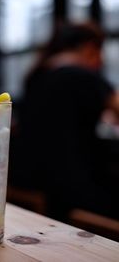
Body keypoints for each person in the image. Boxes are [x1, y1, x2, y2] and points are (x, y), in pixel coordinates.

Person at [8, 21, 119, 222]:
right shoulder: (80, 74)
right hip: (70, 188)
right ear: (88, 47)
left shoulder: (36, 76)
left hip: (29, 177)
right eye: (99, 52)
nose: (101, 60)